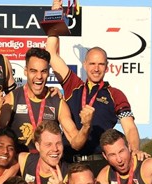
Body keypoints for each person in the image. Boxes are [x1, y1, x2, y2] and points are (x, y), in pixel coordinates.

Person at [44, 0, 139, 161]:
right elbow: (51, 54)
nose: (96, 68)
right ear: (85, 65)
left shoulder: (115, 94)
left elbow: (129, 127)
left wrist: (135, 149)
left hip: (100, 163)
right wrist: (55, 14)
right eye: (92, 64)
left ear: (107, 67)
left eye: (101, 64)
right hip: (68, 160)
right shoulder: (73, 85)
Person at [0, 48, 91, 154]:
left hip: (47, 166)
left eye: (43, 71)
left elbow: (76, 144)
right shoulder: (11, 99)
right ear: (25, 71)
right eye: (33, 71)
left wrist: (86, 126)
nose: (39, 77)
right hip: (20, 164)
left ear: (48, 73)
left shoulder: (58, 102)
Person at [18, 120, 69, 184]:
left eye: (58, 143)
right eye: (48, 144)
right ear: (37, 146)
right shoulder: (24, 160)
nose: (55, 149)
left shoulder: (68, 174)